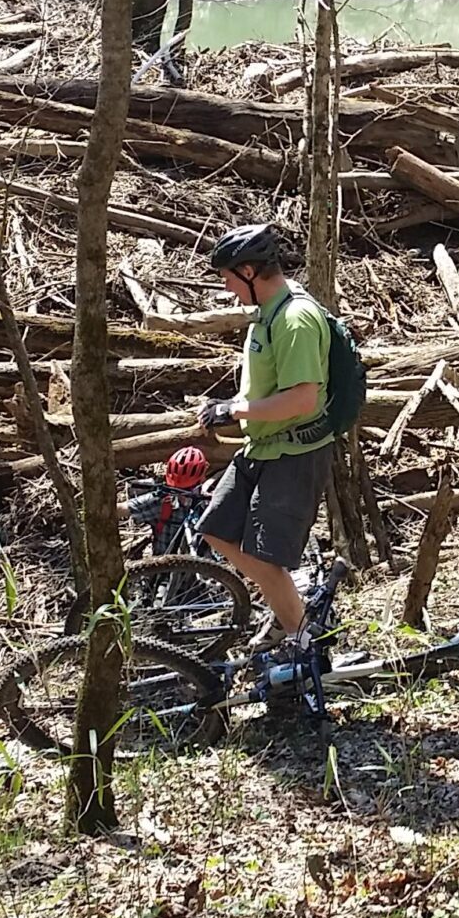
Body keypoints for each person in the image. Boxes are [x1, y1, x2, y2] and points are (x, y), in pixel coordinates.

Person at [192, 223, 335, 681]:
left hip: (293, 454)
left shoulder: (294, 319)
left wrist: (235, 410)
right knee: (216, 528)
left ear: (251, 270)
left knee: (268, 555)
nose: (227, 288)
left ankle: (307, 644)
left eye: (230, 277)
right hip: (262, 447)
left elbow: (303, 398)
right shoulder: (267, 313)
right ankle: (290, 612)